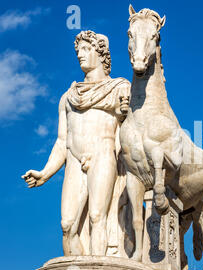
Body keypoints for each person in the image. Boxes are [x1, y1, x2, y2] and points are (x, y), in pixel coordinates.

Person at [22, 31, 130, 256]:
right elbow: (62, 141)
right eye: (77, 50)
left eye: (86, 49)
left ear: (101, 52)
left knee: (97, 217)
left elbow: (132, 130)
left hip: (103, 157)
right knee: (68, 225)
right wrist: (45, 173)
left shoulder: (119, 88)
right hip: (74, 161)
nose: (80, 55)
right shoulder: (68, 97)